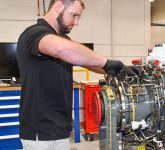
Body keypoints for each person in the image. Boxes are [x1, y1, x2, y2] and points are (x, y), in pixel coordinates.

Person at [17, 0, 140, 149]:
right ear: (58, 7)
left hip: (60, 130)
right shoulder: (34, 33)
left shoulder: (63, 39)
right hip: (40, 133)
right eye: (74, 15)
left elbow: (87, 61)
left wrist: (120, 70)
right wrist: (106, 63)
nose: (77, 22)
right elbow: (63, 49)